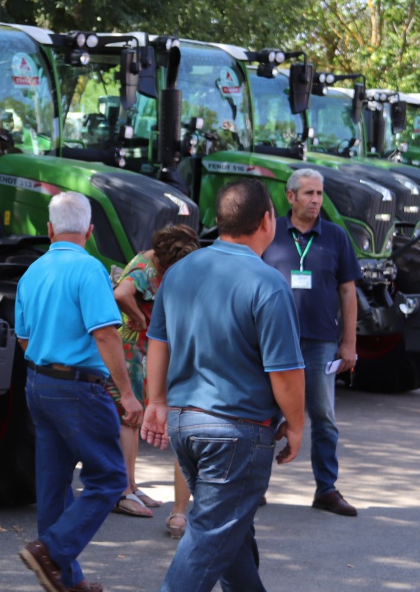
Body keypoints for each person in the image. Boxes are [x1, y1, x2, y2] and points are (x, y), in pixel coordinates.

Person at [141, 179, 306, 592]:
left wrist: (156, 401)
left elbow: (157, 342)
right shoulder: (267, 283)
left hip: (185, 425)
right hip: (236, 429)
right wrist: (297, 424)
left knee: (228, 538)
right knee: (209, 540)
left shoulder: (178, 272)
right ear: (268, 220)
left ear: (220, 220)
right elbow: (285, 373)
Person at [15, 191, 144, 592]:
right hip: (77, 389)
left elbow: (23, 338)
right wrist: (126, 393)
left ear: (49, 229)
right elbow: (105, 333)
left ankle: (66, 581)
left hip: (39, 383)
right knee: (109, 477)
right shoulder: (90, 270)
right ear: (89, 231)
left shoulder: (32, 271)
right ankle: (51, 549)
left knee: (53, 484)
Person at [261, 168, 362, 517]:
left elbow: (348, 292)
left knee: (324, 417)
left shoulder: (335, 237)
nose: (316, 201)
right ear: (290, 197)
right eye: (308, 194)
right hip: (274, 341)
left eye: (319, 194)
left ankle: (326, 489)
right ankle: (254, 486)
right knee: (263, 413)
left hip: (320, 342)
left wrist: (348, 343)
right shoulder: (270, 234)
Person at [107, 224, 200, 537]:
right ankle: (123, 492)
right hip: (131, 349)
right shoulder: (146, 267)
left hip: (143, 349)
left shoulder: (154, 263)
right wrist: (140, 317)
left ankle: (131, 485)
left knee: (134, 418)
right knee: (129, 417)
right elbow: (120, 293)